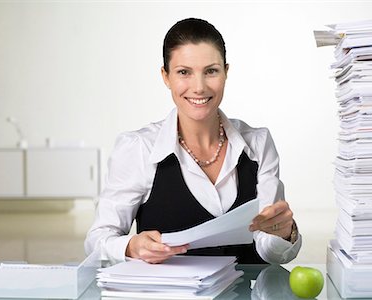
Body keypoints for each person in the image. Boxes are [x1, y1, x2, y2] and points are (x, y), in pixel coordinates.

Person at [85, 18, 301, 265]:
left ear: (226, 73)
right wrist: (130, 247)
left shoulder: (258, 144)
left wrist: (283, 233)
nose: (198, 87)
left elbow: (271, 252)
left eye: (211, 71)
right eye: (183, 72)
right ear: (165, 76)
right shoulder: (139, 149)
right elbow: (97, 240)